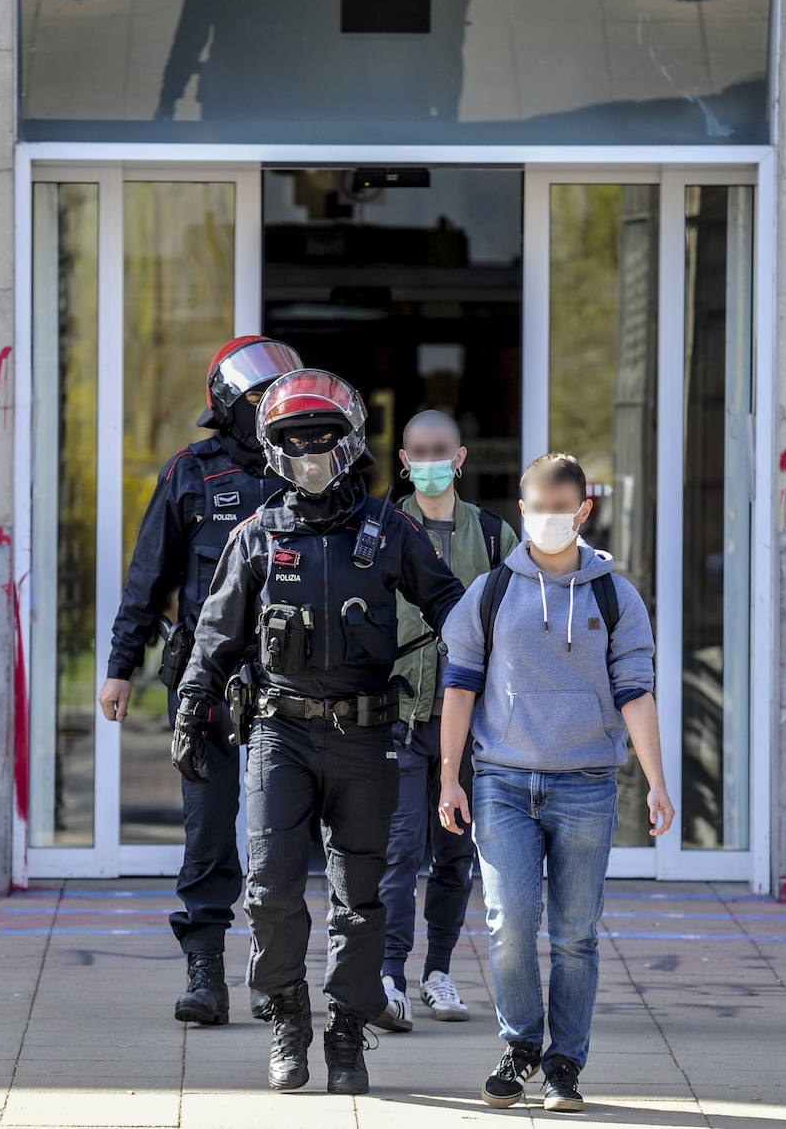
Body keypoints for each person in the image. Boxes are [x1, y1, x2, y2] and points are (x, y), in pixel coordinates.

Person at [171, 370, 465, 1096]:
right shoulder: (255, 536)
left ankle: (346, 1034)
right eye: (294, 439)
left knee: (358, 896)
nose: (309, 450)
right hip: (280, 734)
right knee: (270, 889)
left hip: (366, 736)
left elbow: (452, 604)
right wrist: (189, 708)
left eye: (322, 436)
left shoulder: (388, 530)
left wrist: (490, 666)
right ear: (273, 449)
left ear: (350, 442)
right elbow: (215, 635)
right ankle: (287, 1021)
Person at [438, 452, 675, 1113]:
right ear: (522, 510)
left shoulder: (614, 595)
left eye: (559, 508)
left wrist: (657, 783)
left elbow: (637, 692)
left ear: (583, 511)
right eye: (536, 508)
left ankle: (565, 1063)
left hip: (586, 787)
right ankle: (520, 1048)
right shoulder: (489, 593)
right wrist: (448, 778)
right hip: (503, 784)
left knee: (575, 934)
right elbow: (459, 688)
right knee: (509, 922)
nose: (547, 519)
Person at [98, 335, 303, 1026]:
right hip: (206, 684)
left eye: (277, 397)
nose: (270, 410)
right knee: (209, 831)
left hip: (290, 681)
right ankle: (206, 975)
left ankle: (277, 979)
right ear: (227, 404)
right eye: (257, 399)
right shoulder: (188, 474)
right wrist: (119, 669)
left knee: (282, 836)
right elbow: (147, 577)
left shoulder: (309, 470)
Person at [373, 409, 518, 1032]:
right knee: (400, 850)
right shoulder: (377, 529)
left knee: (456, 854)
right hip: (398, 714)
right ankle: (388, 972)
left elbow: (517, 624)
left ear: (460, 458)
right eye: (418, 452)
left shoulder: (492, 536)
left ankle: (438, 973)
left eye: (442, 451)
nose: (430, 461)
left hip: (469, 723)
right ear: (403, 461)